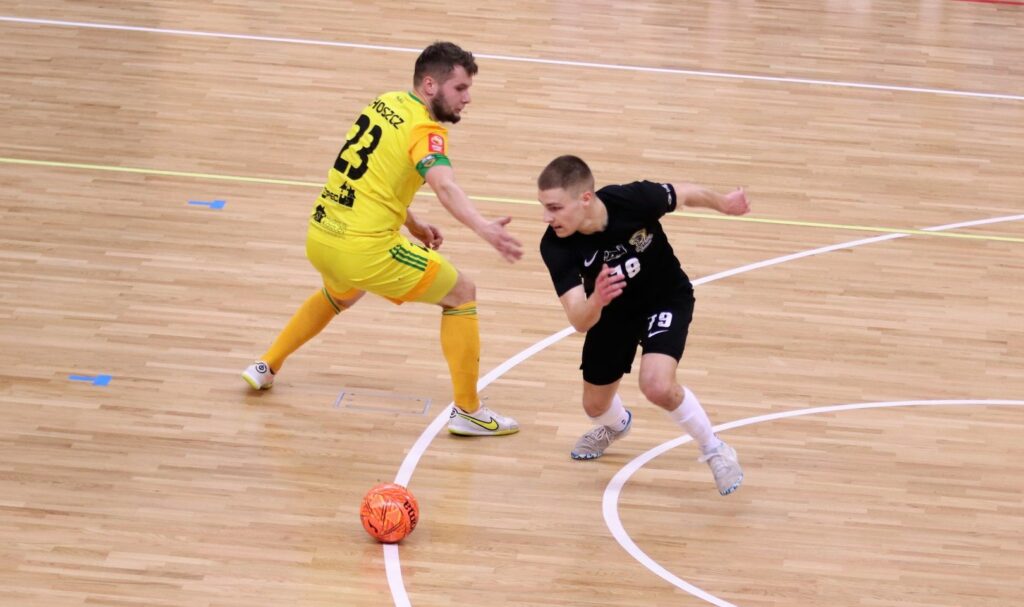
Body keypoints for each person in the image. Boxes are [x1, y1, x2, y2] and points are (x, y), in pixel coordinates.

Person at [243, 41, 522, 437]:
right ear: (430, 85)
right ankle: (469, 411)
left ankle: (266, 365)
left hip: (321, 235)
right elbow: (444, 186)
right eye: (460, 88)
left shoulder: (384, 103)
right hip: (364, 248)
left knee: (341, 293)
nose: (467, 98)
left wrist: (412, 223)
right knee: (461, 292)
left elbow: (370, 179)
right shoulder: (425, 130)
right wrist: (484, 228)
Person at [537, 155, 749, 495]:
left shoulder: (632, 200)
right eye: (544, 207)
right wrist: (597, 300)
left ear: (585, 199)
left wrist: (724, 203)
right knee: (594, 406)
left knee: (657, 386)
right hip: (611, 313)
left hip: (664, 298)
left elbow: (686, 193)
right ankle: (616, 426)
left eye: (555, 208)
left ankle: (715, 450)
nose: (547, 217)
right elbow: (578, 319)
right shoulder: (555, 245)